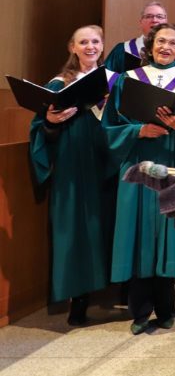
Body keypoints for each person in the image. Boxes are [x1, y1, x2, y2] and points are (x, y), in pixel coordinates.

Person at [103, 23, 175, 334]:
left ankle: (165, 309)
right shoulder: (128, 81)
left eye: (173, 43)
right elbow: (109, 127)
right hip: (138, 164)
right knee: (138, 233)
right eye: (161, 41)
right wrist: (138, 130)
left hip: (173, 166)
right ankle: (139, 312)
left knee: (168, 231)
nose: (166, 47)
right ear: (150, 46)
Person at [29, 25, 118, 325]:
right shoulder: (57, 85)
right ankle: (77, 300)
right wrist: (51, 122)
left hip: (105, 163)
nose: (90, 46)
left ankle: (110, 294)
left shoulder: (114, 83)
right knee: (72, 230)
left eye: (95, 41)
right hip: (70, 165)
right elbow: (39, 130)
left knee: (102, 225)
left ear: (103, 46)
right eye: (83, 42)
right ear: (72, 47)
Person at [105, 1, 167, 72]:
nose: (154, 20)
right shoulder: (123, 50)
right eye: (149, 16)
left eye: (159, 16)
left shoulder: (174, 52)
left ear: (166, 22)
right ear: (141, 22)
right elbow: (105, 78)